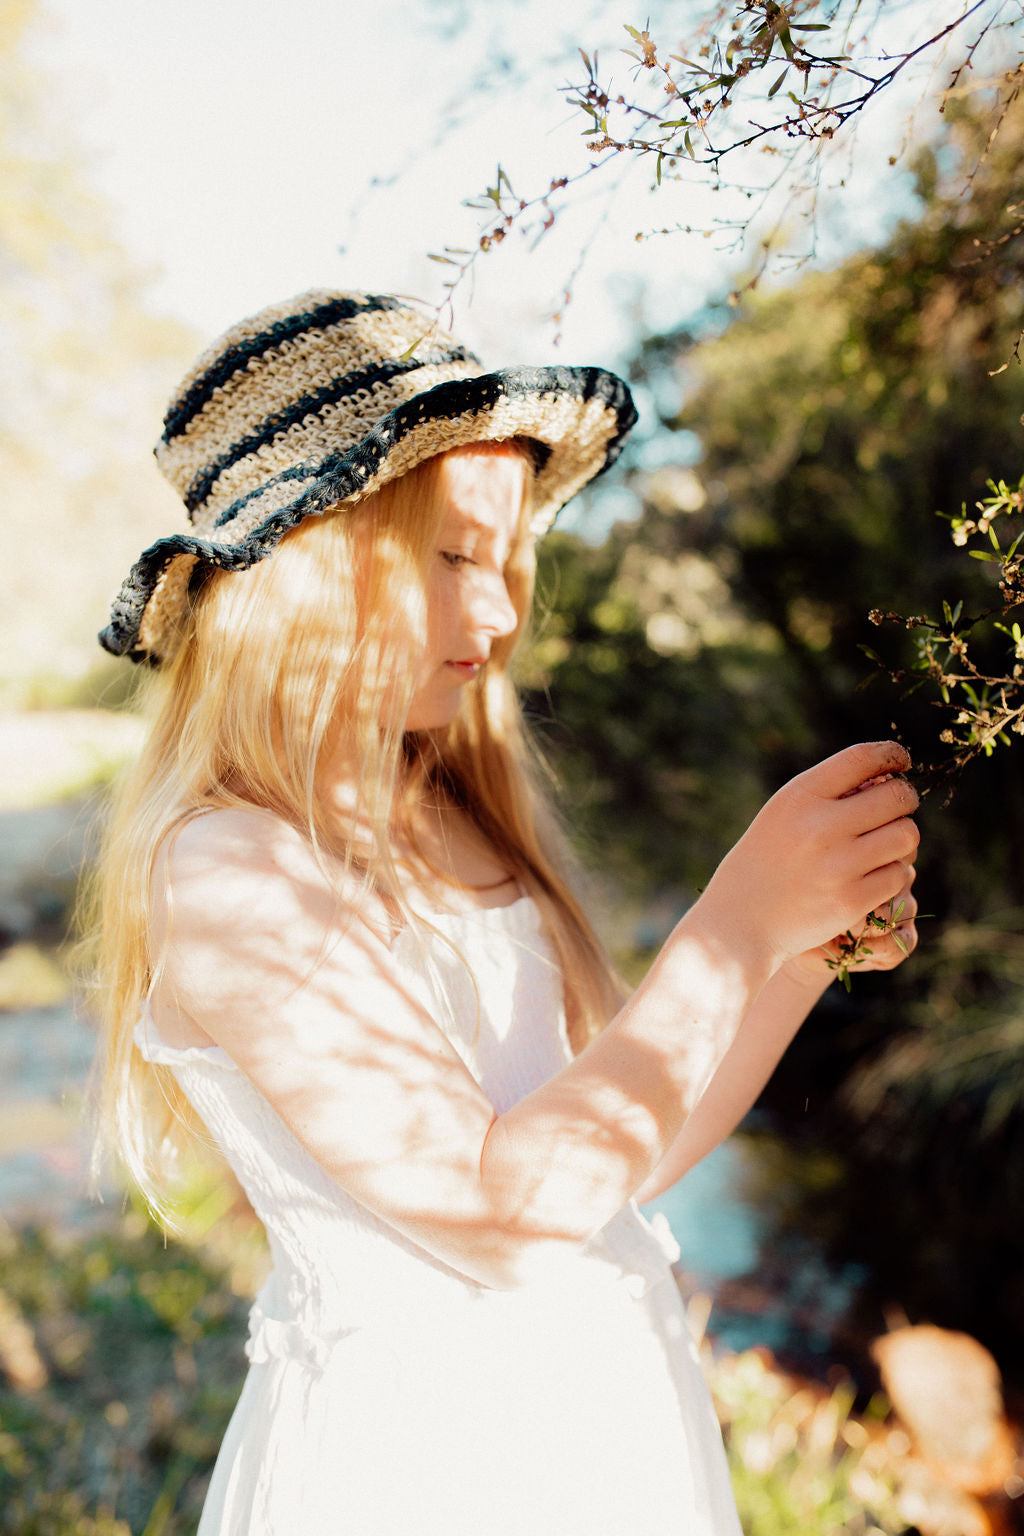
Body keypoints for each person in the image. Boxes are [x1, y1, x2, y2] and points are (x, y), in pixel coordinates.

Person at [91, 290, 919, 1535]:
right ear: (313, 563)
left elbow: (616, 1161)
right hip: (425, 1464)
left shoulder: (454, 813)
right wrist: (731, 925)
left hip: (608, 1427)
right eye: (454, 557)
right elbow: (504, 1216)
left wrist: (799, 950)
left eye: (508, 559)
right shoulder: (230, 872)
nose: (501, 612)